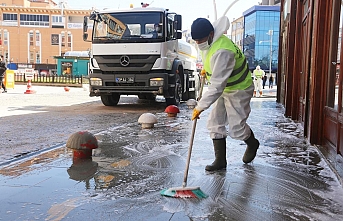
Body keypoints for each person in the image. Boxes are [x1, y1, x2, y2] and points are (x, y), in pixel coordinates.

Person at [190, 17, 260, 171]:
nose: (198, 43)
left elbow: (216, 87)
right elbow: (211, 61)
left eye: (200, 40)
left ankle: (253, 143)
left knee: (236, 128)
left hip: (238, 89)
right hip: (225, 87)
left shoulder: (223, 51)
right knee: (215, 122)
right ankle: (220, 161)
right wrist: (206, 69)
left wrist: (200, 107)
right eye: (195, 40)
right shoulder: (210, 41)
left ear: (210, 34)